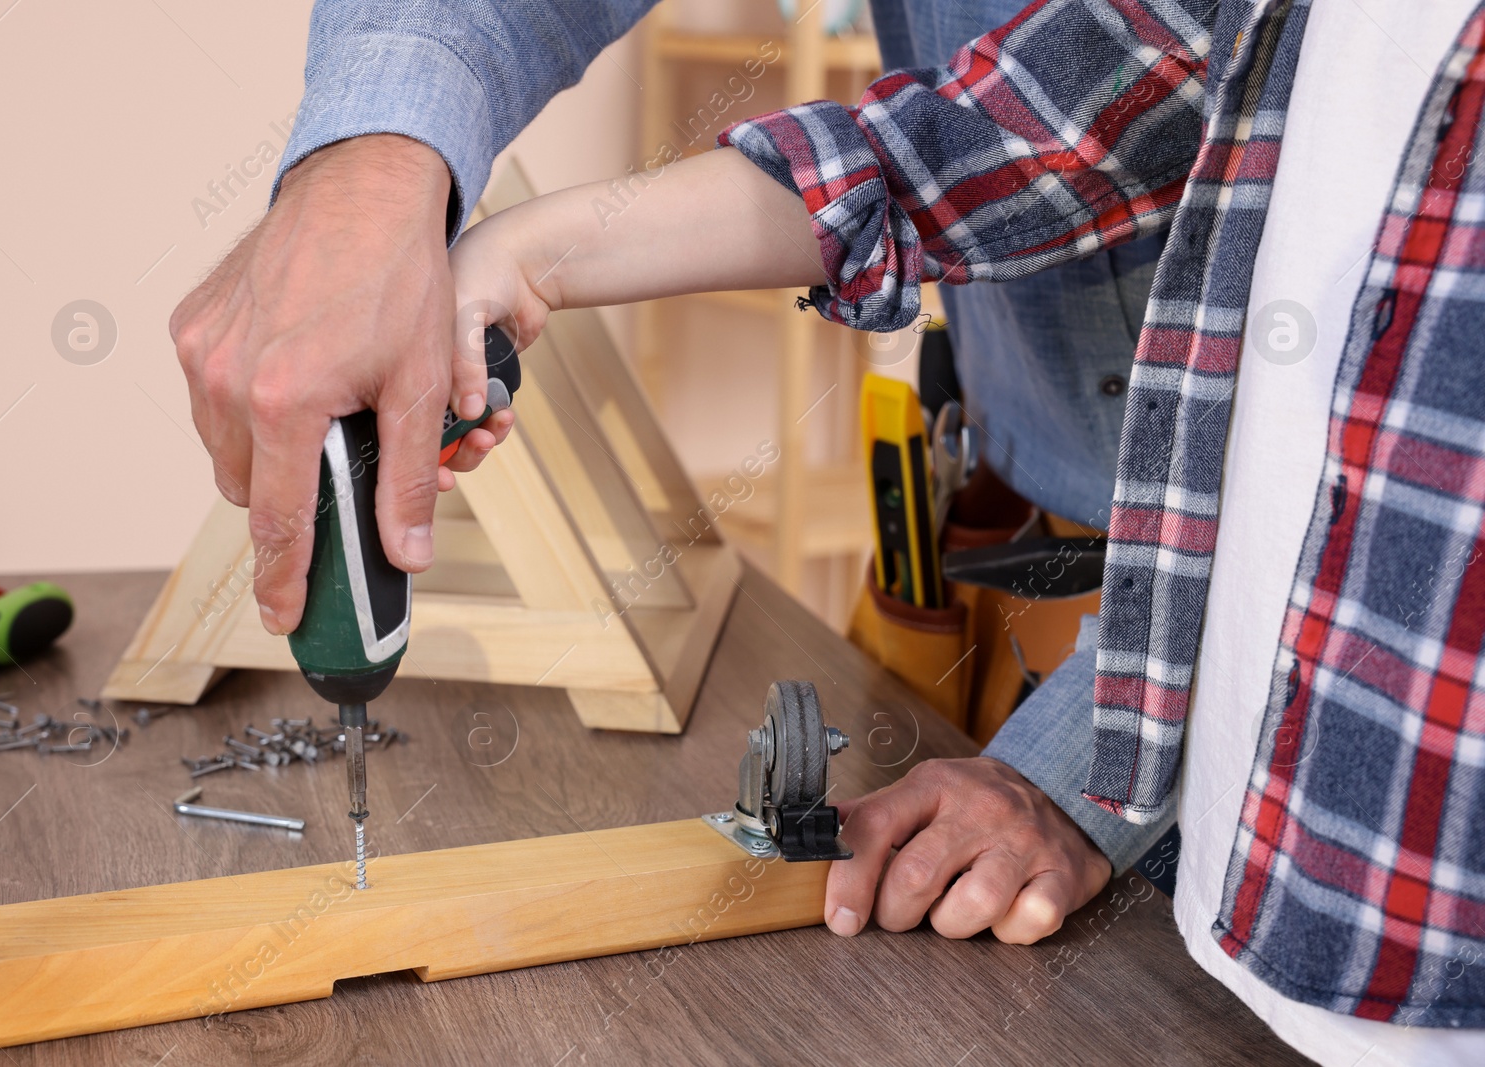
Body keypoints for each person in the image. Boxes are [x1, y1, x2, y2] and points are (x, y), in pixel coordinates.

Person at [173, 0, 1485, 1064]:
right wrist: (464, 218)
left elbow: (1378, 494)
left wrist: (1090, 763)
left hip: (1329, 830)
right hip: (1083, 645)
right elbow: (1018, 135)